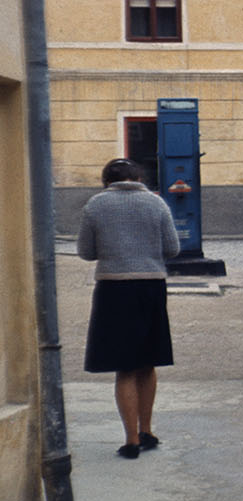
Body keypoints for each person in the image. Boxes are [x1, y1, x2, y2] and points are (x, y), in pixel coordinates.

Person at [77, 158, 181, 459]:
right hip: (150, 287)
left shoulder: (95, 205)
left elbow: (86, 252)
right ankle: (148, 430)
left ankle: (131, 440)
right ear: (138, 177)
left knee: (125, 367)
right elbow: (172, 248)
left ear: (105, 180)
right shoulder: (156, 204)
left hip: (113, 289)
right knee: (148, 362)